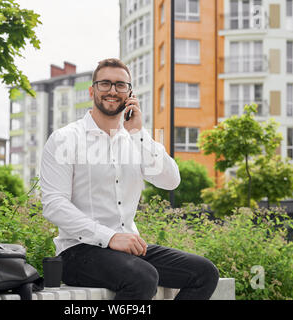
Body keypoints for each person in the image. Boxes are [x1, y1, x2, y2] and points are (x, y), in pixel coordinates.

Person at [40, 58, 219, 300]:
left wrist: (138, 133)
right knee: (143, 277)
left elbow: (170, 180)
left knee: (204, 273)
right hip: (79, 251)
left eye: (120, 85)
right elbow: (54, 205)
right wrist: (110, 236)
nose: (112, 91)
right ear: (92, 90)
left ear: (130, 93)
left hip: (128, 252)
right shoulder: (65, 139)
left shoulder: (135, 139)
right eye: (105, 84)